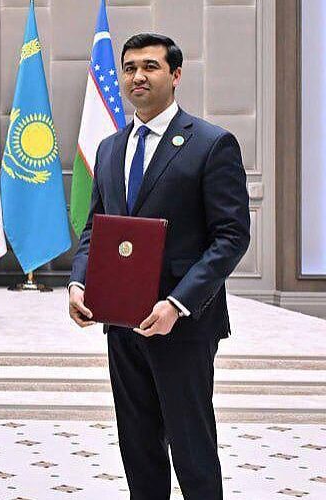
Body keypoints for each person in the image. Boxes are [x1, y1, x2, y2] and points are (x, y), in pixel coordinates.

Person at [68, 34, 249, 499]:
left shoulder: (211, 144)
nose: (138, 76)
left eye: (150, 66)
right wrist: (78, 282)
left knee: (192, 447)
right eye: (130, 68)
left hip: (182, 325)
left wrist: (177, 303)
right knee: (138, 445)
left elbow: (231, 237)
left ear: (176, 75)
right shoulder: (110, 148)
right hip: (120, 322)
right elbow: (95, 229)